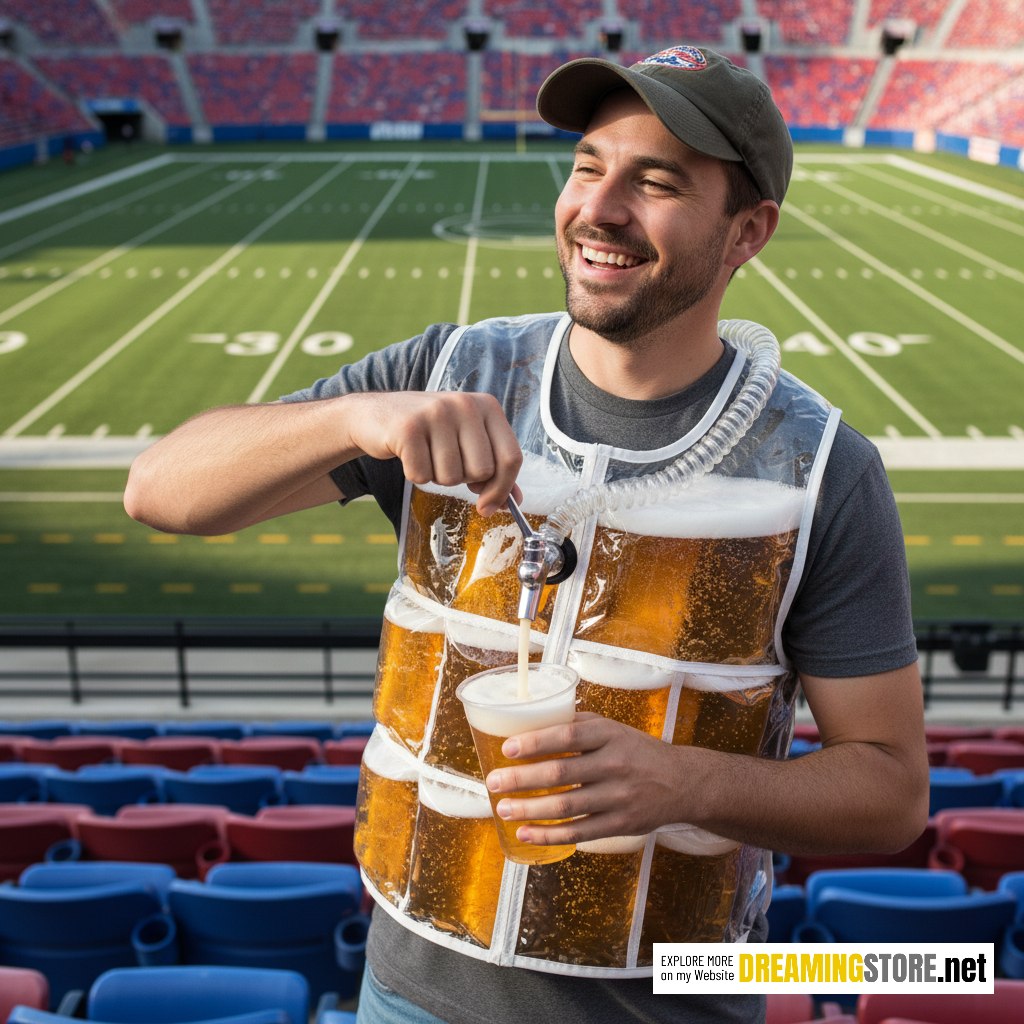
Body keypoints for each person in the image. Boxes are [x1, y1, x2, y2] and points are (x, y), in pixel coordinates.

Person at [124, 45, 928, 1024]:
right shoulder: (443, 373)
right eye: (588, 166)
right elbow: (160, 490)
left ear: (747, 231)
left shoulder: (823, 469)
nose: (600, 207)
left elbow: (891, 794)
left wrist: (684, 781)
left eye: (657, 182)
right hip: (412, 992)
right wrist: (354, 418)